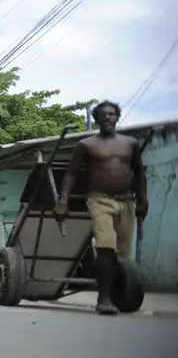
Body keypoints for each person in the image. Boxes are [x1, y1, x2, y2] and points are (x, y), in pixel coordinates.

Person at [55, 101, 147, 316]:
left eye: (112, 114)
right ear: (96, 119)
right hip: (99, 200)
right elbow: (71, 173)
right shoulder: (87, 145)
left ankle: (118, 295)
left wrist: (143, 200)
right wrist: (63, 200)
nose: (107, 117)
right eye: (103, 114)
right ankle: (103, 299)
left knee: (123, 254)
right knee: (106, 246)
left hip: (126, 201)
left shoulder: (130, 144)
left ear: (117, 117)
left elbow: (139, 173)